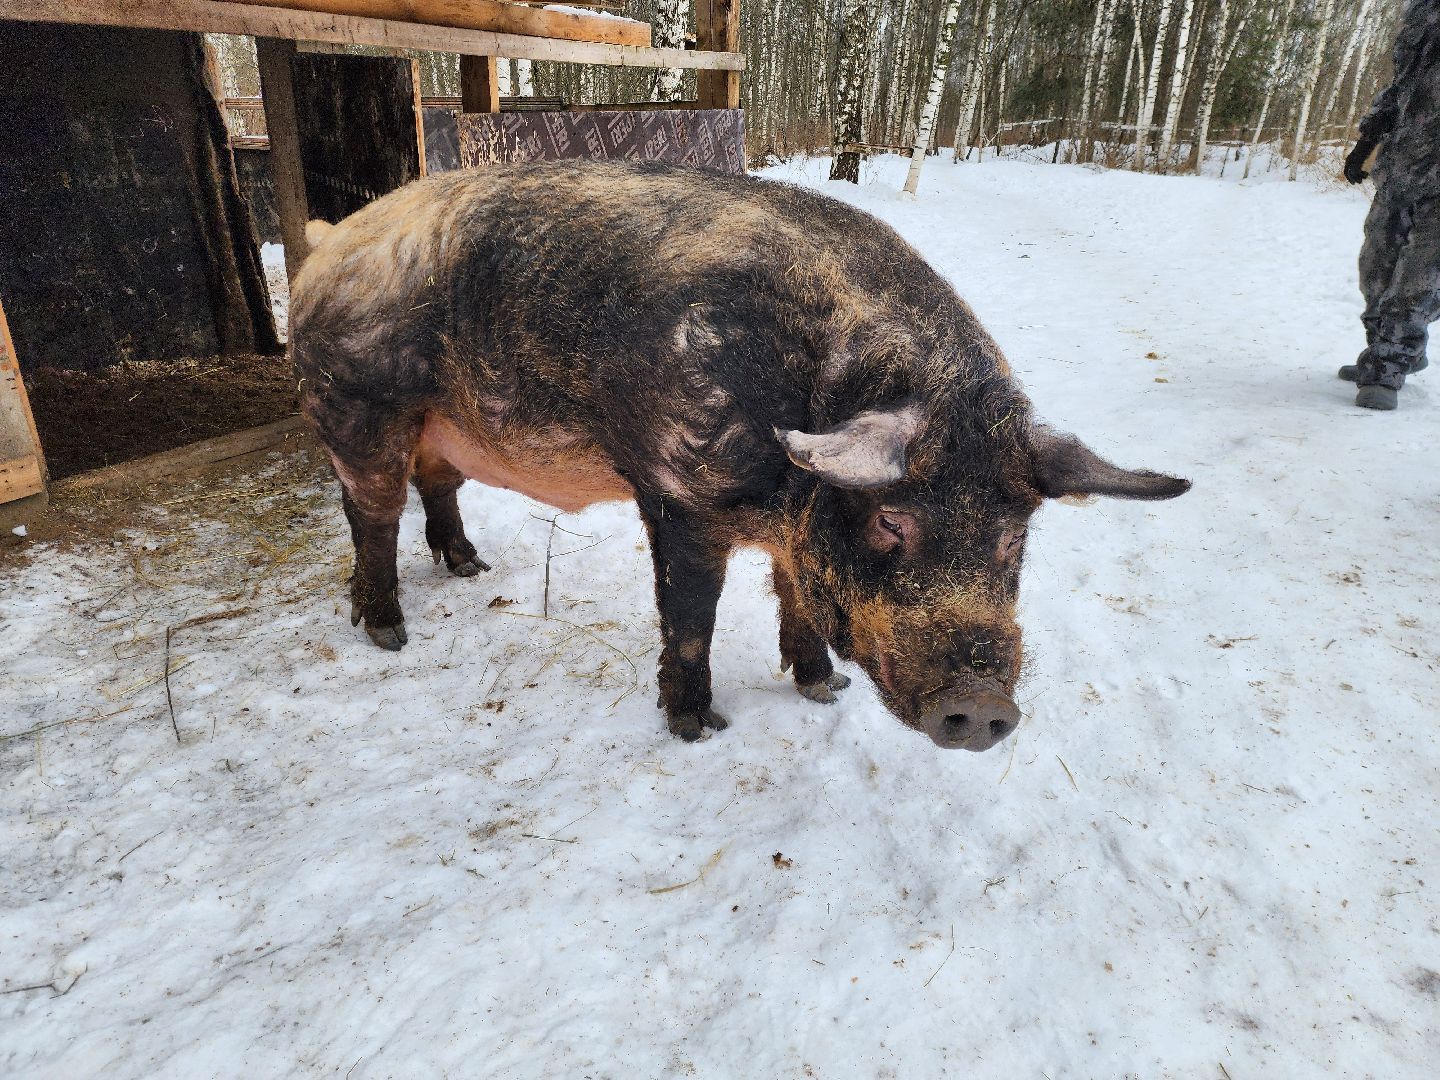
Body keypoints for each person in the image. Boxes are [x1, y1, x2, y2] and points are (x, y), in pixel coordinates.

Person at [1340, 0, 1440, 411]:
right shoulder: (1423, 10)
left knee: (1418, 279)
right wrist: (1367, 140)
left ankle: (1388, 367)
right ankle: (1390, 351)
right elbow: (1402, 83)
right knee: (1376, 269)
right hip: (1402, 168)